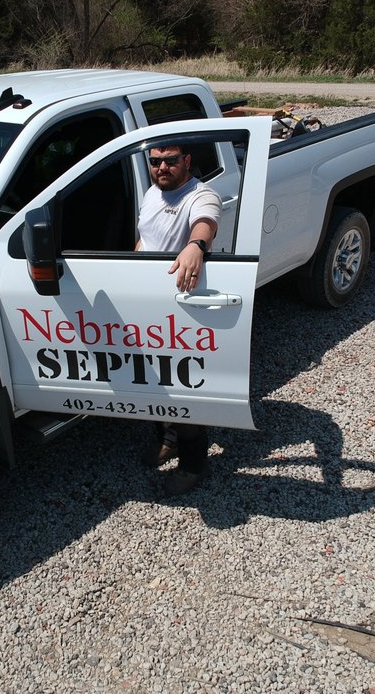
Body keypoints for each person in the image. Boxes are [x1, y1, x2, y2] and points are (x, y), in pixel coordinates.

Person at [136, 143, 222, 495]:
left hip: (182, 309)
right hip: (147, 302)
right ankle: (167, 438)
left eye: (171, 161)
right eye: (155, 161)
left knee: (183, 387)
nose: (162, 168)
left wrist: (195, 247)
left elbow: (205, 224)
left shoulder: (202, 195)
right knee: (152, 380)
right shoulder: (150, 193)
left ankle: (193, 465)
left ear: (187, 161)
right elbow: (144, 237)